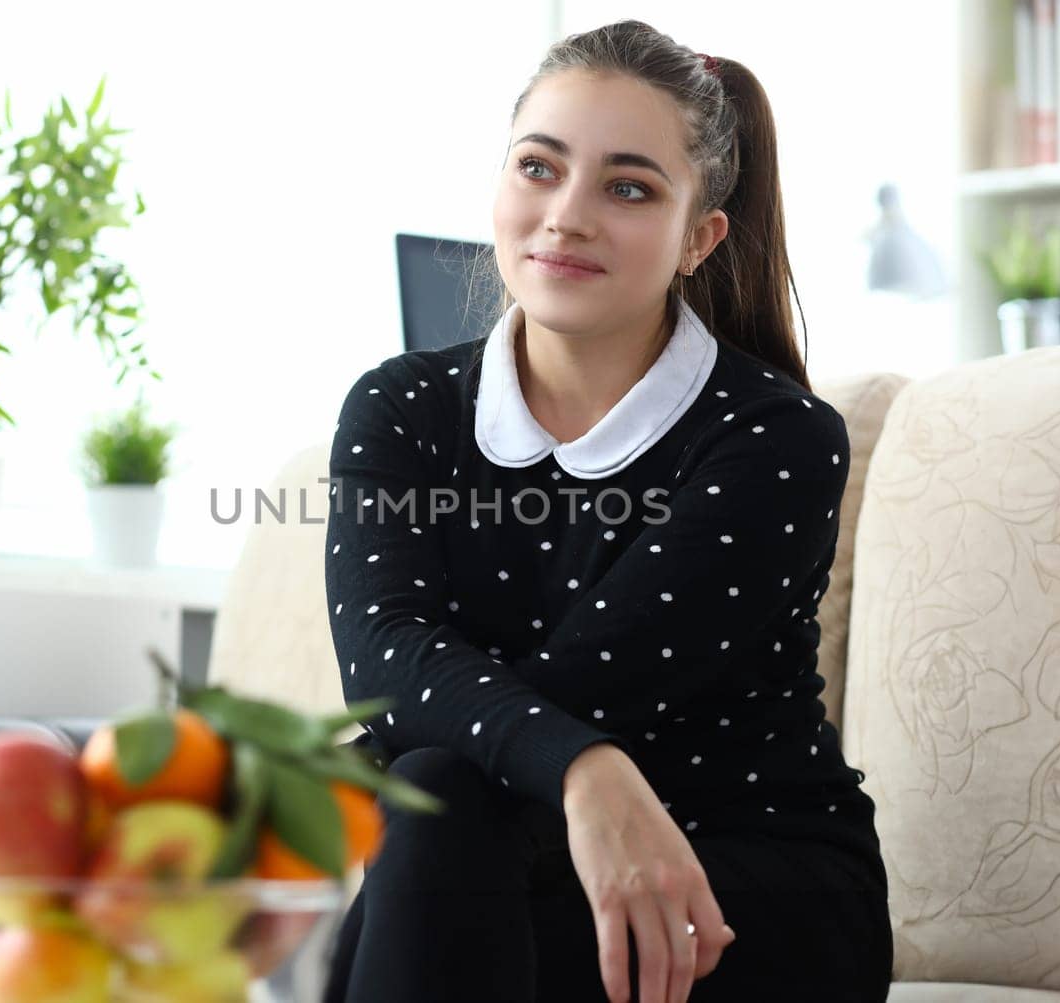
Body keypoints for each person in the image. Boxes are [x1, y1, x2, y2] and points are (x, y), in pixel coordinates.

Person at [320, 19, 891, 1003]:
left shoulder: (777, 437)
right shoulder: (401, 405)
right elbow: (383, 658)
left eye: (628, 188)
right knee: (442, 808)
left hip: (737, 875)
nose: (568, 215)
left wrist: (532, 747)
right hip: (494, 842)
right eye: (538, 168)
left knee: (436, 804)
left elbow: (574, 684)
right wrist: (588, 773)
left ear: (697, 239)